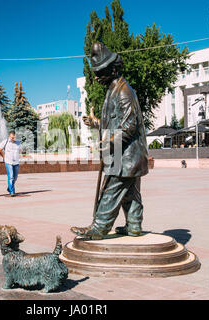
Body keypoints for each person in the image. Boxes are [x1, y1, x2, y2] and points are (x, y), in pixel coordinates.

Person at [71, 42, 149, 240]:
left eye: (100, 72)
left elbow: (129, 126)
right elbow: (115, 122)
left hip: (126, 155)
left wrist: (109, 143)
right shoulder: (113, 89)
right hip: (125, 154)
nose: (96, 77)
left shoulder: (124, 91)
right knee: (130, 193)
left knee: (111, 189)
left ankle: (99, 227)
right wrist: (96, 122)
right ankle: (134, 225)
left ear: (113, 70)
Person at [0, 131, 21, 197]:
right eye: (11, 137)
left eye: (14, 138)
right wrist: (3, 156)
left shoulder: (18, 142)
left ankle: (9, 187)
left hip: (16, 162)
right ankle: (12, 192)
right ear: (9, 136)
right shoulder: (5, 142)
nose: (12, 139)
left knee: (15, 177)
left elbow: (20, 150)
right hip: (8, 162)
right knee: (11, 177)